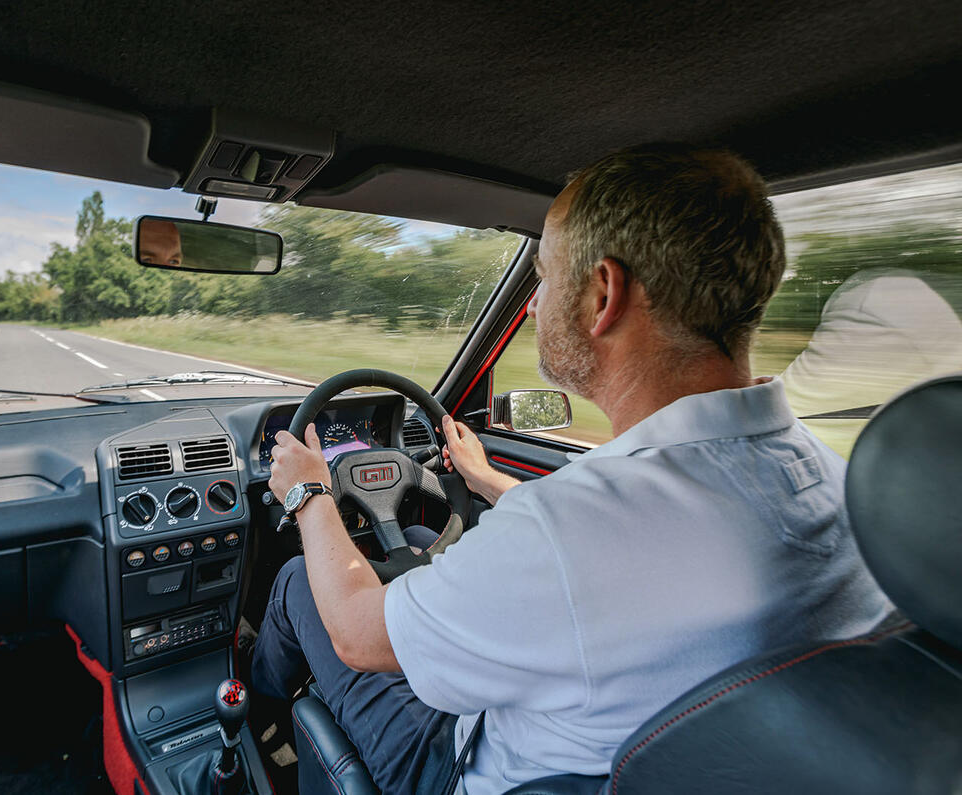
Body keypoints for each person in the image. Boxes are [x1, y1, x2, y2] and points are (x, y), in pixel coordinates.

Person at [251, 143, 892, 794]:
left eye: (544, 276)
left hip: (465, 770)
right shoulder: (833, 477)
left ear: (602, 294)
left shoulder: (568, 533)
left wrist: (308, 491)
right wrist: (490, 482)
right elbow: (616, 548)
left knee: (303, 579)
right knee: (417, 542)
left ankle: (251, 725)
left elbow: (358, 635)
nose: (531, 305)